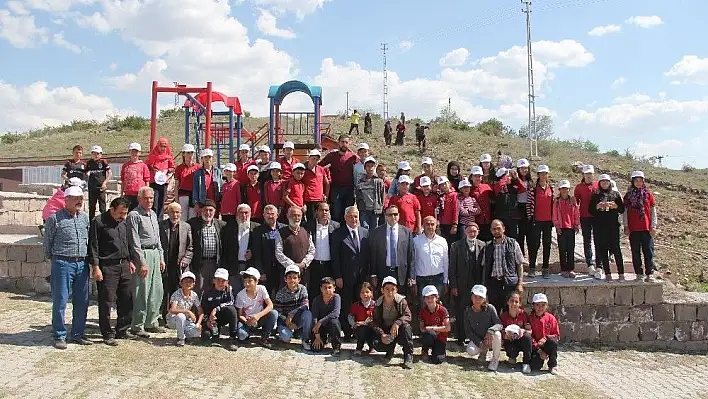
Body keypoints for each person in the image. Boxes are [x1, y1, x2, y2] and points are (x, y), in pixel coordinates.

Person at [44, 185, 91, 349]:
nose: (79, 201)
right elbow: (47, 244)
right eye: (76, 198)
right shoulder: (54, 219)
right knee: (60, 300)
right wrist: (56, 260)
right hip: (62, 263)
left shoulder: (84, 218)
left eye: (81, 198)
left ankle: (78, 333)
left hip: (82, 263)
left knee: (82, 300)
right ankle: (59, 335)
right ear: (66, 200)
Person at [89, 196, 134, 346]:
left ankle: (122, 330)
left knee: (127, 298)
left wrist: (131, 261)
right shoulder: (98, 221)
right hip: (107, 266)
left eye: (125, 213)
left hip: (124, 265)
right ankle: (107, 333)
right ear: (112, 209)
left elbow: (127, 242)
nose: (123, 216)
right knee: (107, 301)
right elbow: (93, 246)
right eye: (121, 213)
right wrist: (95, 267)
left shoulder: (123, 222)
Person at [126, 186, 166, 338]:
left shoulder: (154, 214)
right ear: (139, 199)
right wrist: (141, 262)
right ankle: (138, 324)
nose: (149, 201)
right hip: (143, 254)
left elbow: (158, 239)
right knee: (142, 290)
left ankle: (152, 321)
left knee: (157, 290)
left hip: (155, 253)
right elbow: (134, 241)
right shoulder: (134, 215)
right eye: (146, 198)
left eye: (151, 198)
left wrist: (161, 257)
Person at [331, 206, 369, 339]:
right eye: (351, 216)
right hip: (345, 276)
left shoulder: (365, 232)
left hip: (362, 276)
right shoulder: (338, 233)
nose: (354, 219)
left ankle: (360, 331)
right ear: (345, 217)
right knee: (347, 304)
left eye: (356, 216)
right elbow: (335, 257)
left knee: (361, 303)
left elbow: (367, 255)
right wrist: (338, 276)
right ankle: (347, 330)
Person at [449, 222, 485, 346]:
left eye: (474, 231)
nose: (472, 233)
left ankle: (474, 337)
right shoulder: (456, 246)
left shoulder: (482, 245)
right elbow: (452, 267)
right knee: (461, 311)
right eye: (469, 231)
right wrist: (453, 285)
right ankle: (460, 337)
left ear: (478, 232)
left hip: (477, 287)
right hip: (461, 285)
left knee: (475, 312)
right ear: (465, 232)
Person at [159, 202, 193, 324]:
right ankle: (165, 316)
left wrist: (186, 259)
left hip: (180, 265)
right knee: (165, 290)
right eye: (172, 211)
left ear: (181, 213)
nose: (175, 214)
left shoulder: (186, 227)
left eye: (177, 212)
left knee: (178, 290)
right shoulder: (161, 226)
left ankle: (179, 316)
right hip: (165, 264)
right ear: (167, 213)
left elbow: (190, 247)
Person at [371, 276, 414, 369]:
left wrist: (398, 322)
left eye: (392, 289)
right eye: (387, 289)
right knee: (376, 343)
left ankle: (408, 356)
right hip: (386, 330)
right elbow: (374, 322)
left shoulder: (401, 301)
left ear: (396, 290)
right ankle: (390, 350)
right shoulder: (378, 304)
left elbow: (408, 316)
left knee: (407, 328)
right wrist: (382, 334)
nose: (390, 292)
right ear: (382, 290)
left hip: (398, 330)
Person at [369, 205, 413, 293]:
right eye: (390, 215)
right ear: (385, 216)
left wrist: (411, 276)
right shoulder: (377, 232)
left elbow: (410, 255)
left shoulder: (407, 232)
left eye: (395, 214)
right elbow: (373, 254)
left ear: (399, 215)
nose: (393, 217)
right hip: (383, 271)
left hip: (400, 273)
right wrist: (373, 274)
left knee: (400, 300)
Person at [589, 174, 626, 281]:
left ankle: (621, 273)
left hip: (613, 226)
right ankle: (608, 273)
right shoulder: (595, 195)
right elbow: (590, 210)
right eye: (602, 181)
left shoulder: (615, 194)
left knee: (616, 249)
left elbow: (622, 209)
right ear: (599, 183)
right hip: (600, 226)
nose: (605, 183)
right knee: (603, 249)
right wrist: (598, 206)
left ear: (610, 182)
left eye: (607, 181)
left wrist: (616, 206)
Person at [483, 220, 526, 312]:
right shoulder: (487, 246)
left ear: (504, 229)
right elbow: (484, 268)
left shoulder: (513, 243)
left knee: (510, 311)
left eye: (498, 228)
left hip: (509, 283)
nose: (496, 231)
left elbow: (520, 264)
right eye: (494, 229)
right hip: (493, 284)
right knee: (494, 311)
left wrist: (520, 283)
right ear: (491, 230)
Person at [623, 170, 658, 282]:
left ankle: (649, 273)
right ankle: (639, 273)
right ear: (632, 182)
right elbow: (625, 212)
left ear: (643, 181)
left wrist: (653, 225)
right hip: (633, 228)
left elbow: (653, 210)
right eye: (636, 181)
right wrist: (626, 226)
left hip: (646, 228)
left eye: (640, 181)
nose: (638, 183)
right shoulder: (628, 196)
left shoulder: (648, 194)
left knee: (648, 251)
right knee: (635, 252)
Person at [187, 199, 225, 294]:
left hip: (215, 263)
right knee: (198, 290)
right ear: (201, 211)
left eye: (211, 210)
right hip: (200, 263)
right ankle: (198, 309)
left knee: (214, 290)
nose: (208, 213)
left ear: (215, 211)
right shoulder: (193, 223)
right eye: (205, 210)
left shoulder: (221, 225)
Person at [235, 267, 278, 348]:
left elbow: (270, 305)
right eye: (245, 281)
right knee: (241, 335)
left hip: (259, 319)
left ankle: (264, 337)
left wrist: (258, 316)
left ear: (257, 281)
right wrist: (247, 322)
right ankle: (247, 334)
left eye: (250, 281)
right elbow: (240, 315)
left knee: (274, 313)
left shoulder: (262, 289)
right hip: (246, 321)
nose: (247, 284)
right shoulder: (240, 295)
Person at [319, 135, 358, 222]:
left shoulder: (353, 157)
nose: (344, 144)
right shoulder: (332, 156)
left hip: (349, 189)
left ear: (349, 143)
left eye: (346, 142)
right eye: (342, 142)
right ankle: (335, 233)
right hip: (336, 189)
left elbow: (362, 168)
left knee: (347, 214)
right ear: (338, 142)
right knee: (335, 213)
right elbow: (319, 166)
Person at [464, 285, 503, 371]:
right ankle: (483, 352)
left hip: (490, 338)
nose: (477, 300)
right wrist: (479, 343)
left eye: (480, 297)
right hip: (479, 338)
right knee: (470, 350)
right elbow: (468, 331)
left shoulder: (490, 308)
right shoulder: (467, 311)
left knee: (497, 334)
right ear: (471, 297)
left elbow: (499, 324)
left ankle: (495, 360)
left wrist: (491, 330)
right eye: (475, 296)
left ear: (484, 299)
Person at [275, 207, 315, 289]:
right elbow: (278, 252)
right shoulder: (281, 232)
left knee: (303, 297)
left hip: (304, 273)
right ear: (288, 216)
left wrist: (303, 264)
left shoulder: (306, 232)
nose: (296, 218)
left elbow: (312, 250)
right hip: (287, 273)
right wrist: (292, 265)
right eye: (294, 215)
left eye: (298, 215)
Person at [274, 265, 313, 350]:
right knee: (286, 338)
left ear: (299, 279)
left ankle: (305, 340)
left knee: (308, 314)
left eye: (295, 278)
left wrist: (291, 315)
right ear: (285, 279)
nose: (292, 280)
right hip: (285, 321)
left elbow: (305, 305)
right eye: (289, 277)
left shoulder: (303, 289)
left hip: (297, 318)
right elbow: (278, 311)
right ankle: (284, 332)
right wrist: (287, 321)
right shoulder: (280, 293)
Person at [410, 216, 449, 302]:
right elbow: (413, 262)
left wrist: (446, 281)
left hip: (438, 279)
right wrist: (413, 282)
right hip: (421, 280)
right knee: (423, 307)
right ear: (423, 225)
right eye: (427, 224)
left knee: (437, 305)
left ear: (436, 226)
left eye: (432, 224)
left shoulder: (442, 241)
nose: (430, 226)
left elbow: (446, 262)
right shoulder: (416, 241)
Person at [222, 204, 260, 291]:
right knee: (234, 293)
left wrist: (253, 252)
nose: (243, 216)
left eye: (246, 213)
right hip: (233, 267)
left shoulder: (257, 228)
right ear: (237, 214)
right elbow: (224, 249)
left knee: (249, 293)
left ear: (250, 213)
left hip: (250, 267)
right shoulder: (228, 228)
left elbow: (261, 247)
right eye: (241, 213)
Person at [250, 205, 285, 295]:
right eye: (267, 214)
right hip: (266, 270)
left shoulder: (284, 229)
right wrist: (260, 271)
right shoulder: (258, 231)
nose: (270, 216)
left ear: (277, 215)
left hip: (281, 269)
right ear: (263, 215)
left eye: (272, 214)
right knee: (266, 296)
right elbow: (256, 253)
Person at [200, 268, 239, 351]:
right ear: (213, 280)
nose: (220, 283)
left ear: (227, 282)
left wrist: (216, 309)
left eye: (223, 280)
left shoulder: (229, 289)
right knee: (206, 336)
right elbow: (202, 310)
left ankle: (232, 338)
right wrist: (207, 321)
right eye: (218, 280)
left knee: (232, 310)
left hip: (223, 316)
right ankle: (215, 334)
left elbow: (231, 302)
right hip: (211, 319)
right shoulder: (206, 291)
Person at [527, 165, 553, 278]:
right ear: (538, 175)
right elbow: (529, 204)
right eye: (541, 173)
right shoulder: (533, 189)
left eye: (545, 173)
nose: (543, 176)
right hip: (536, 221)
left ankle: (545, 268)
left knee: (547, 244)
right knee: (534, 245)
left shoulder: (551, 188)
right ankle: (532, 267)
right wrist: (530, 217)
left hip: (548, 221)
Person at [306, 202, 340, 290]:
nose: (324, 212)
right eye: (321, 210)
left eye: (326, 210)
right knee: (313, 291)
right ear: (316, 211)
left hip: (329, 266)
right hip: (314, 265)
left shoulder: (336, 226)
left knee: (329, 292)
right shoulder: (309, 225)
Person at [167, 271, 203, 346]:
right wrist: (188, 311)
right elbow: (172, 310)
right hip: (173, 319)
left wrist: (198, 323)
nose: (188, 283)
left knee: (198, 331)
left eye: (190, 281)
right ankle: (181, 339)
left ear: (194, 284)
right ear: (181, 283)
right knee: (181, 316)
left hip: (186, 320)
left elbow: (200, 311)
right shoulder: (176, 294)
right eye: (185, 281)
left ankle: (185, 334)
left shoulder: (194, 295)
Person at [553, 180, 580, 278]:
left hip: (570, 227)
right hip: (561, 227)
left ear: (569, 189)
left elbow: (576, 212)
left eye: (566, 188)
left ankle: (571, 269)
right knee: (562, 248)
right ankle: (564, 269)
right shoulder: (556, 201)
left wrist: (576, 224)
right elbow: (554, 214)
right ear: (559, 189)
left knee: (570, 248)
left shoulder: (572, 200)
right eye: (562, 188)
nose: (564, 190)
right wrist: (557, 226)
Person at [575, 165, 598, 275]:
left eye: (591, 174)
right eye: (587, 174)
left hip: (598, 217)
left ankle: (600, 263)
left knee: (599, 240)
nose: (589, 176)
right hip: (584, 216)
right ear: (583, 175)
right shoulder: (578, 187)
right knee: (587, 240)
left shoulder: (598, 185)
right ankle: (590, 264)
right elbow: (575, 203)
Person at [528, 293, 560, 374]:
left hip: (547, 344)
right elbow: (529, 336)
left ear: (546, 306)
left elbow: (556, 335)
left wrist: (546, 338)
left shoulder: (551, 318)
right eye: (537, 305)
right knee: (535, 367)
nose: (540, 308)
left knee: (553, 342)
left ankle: (552, 365)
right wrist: (539, 350)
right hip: (535, 347)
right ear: (533, 306)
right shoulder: (530, 319)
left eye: (543, 305)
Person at [501, 292, 532, 373]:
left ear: (520, 304)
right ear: (508, 302)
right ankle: (512, 356)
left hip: (521, 340)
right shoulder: (504, 315)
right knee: (511, 358)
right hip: (510, 340)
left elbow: (530, 331)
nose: (514, 304)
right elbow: (501, 331)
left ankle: (526, 363)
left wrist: (523, 330)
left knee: (527, 337)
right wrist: (506, 335)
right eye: (511, 301)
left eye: (516, 301)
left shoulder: (523, 314)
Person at [311, 277, 343, 355]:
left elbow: (335, 313)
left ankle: (336, 346)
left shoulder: (336, 297)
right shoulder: (316, 300)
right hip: (319, 327)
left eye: (330, 287)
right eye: (325, 288)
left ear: (334, 288)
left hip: (330, 324)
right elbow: (314, 316)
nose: (327, 290)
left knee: (334, 322)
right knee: (315, 349)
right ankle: (323, 339)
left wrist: (321, 321)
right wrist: (317, 336)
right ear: (321, 289)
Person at [419, 285, 450, 364]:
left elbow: (448, 328)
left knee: (437, 360)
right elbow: (421, 328)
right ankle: (425, 350)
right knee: (427, 336)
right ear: (424, 299)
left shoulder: (443, 310)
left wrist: (434, 328)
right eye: (427, 298)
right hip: (429, 335)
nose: (430, 300)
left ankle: (438, 350)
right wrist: (427, 330)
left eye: (432, 297)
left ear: (437, 298)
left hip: (441, 337)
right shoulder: (422, 311)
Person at [144, 137, 175, 217]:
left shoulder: (168, 156)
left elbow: (172, 167)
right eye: (161, 146)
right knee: (154, 202)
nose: (163, 148)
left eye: (165, 146)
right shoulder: (152, 155)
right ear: (158, 146)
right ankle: (152, 218)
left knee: (161, 202)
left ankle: (159, 221)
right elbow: (146, 166)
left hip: (163, 182)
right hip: (153, 182)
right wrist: (153, 170)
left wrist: (167, 170)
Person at [355, 156, 385, 229]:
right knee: (364, 228)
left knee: (374, 228)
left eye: (372, 166)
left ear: (375, 167)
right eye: (368, 166)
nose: (370, 168)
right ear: (365, 167)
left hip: (375, 210)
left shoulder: (379, 181)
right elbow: (358, 195)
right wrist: (360, 205)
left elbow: (382, 195)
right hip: (364, 210)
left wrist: (380, 206)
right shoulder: (361, 181)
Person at [349, 282, 376, 355]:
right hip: (360, 329)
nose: (365, 294)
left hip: (372, 327)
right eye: (362, 292)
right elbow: (350, 316)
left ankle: (372, 346)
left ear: (371, 293)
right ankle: (359, 347)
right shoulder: (356, 305)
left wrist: (364, 322)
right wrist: (353, 324)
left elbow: (374, 318)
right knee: (363, 329)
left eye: (367, 292)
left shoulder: (375, 305)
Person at [120, 142, 150, 210]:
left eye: (136, 151)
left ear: (139, 153)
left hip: (139, 195)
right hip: (127, 194)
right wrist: (121, 194)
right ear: (129, 152)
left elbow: (147, 181)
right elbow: (123, 181)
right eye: (132, 151)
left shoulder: (143, 166)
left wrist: (146, 194)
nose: (134, 153)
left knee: (139, 212)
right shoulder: (125, 166)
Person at [192, 149, 223, 214]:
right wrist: (196, 203)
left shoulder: (217, 172)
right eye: (205, 157)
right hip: (202, 202)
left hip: (215, 202)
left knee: (215, 222)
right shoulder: (197, 173)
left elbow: (221, 187)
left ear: (212, 158)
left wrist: (221, 201)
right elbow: (195, 188)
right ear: (202, 159)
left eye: (209, 157)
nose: (207, 159)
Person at [302, 149, 329, 223]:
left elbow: (327, 183)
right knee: (310, 220)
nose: (315, 161)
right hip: (308, 199)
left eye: (317, 159)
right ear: (309, 158)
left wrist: (326, 195)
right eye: (313, 158)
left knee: (320, 219)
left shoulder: (320, 169)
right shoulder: (303, 170)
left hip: (319, 199)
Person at [174, 144, 199, 221]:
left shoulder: (198, 167)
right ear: (183, 154)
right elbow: (176, 185)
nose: (190, 155)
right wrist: (176, 198)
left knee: (193, 217)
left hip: (194, 195)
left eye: (192, 153)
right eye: (188, 153)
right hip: (183, 194)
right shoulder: (179, 168)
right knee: (183, 217)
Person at [493, 167, 519, 239]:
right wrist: (505, 177)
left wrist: (517, 178)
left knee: (513, 237)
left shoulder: (513, 186)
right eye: (507, 176)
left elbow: (523, 189)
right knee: (502, 237)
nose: (509, 177)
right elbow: (498, 186)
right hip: (502, 216)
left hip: (512, 216)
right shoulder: (498, 185)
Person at [86, 145, 111, 219]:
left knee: (102, 206)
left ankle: (104, 222)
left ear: (101, 154)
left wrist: (104, 183)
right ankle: (91, 224)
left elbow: (110, 173)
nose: (96, 155)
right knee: (91, 207)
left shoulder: (103, 162)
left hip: (101, 187)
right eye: (94, 153)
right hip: (91, 187)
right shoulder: (89, 162)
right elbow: (85, 173)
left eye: (98, 154)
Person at [514, 159, 533, 255]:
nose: (524, 170)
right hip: (518, 207)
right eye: (522, 168)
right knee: (520, 233)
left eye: (525, 168)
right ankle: (521, 254)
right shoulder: (515, 180)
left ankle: (531, 255)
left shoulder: (531, 181)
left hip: (528, 207)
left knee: (529, 233)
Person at [470, 166, 493, 242]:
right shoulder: (469, 189)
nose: (477, 178)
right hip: (476, 220)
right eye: (475, 176)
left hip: (488, 219)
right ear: (471, 177)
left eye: (479, 176)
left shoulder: (486, 187)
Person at [437, 176, 459, 244]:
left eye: (445, 184)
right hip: (442, 224)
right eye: (441, 185)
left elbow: (456, 210)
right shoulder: (440, 196)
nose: (443, 186)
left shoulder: (454, 195)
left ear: (449, 184)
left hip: (450, 224)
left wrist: (454, 224)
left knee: (451, 243)